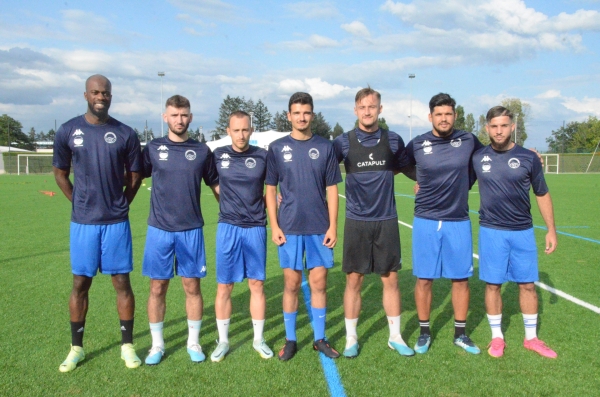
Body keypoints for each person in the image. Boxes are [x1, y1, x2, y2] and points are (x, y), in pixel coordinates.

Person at [53, 74, 143, 372]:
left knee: (122, 283)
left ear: (111, 96)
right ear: (85, 95)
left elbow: (135, 176)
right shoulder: (68, 130)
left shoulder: (125, 133)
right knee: (80, 283)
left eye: (105, 92)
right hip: (83, 223)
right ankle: (76, 348)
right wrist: (79, 203)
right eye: (95, 92)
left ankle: (127, 346)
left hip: (116, 222)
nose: (100, 96)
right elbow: (61, 174)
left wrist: (121, 203)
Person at [333, 87, 415, 358]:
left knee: (390, 279)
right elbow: (320, 170)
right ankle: (351, 338)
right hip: (356, 221)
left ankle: (395, 336)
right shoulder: (342, 143)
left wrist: (424, 181)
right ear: (355, 110)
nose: (367, 111)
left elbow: (410, 166)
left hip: (387, 220)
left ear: (380, 109)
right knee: (354, 280)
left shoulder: (393, 140)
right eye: (362, 107)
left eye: (372, 106)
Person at [473, 106, 557, 358]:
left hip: (522, 231)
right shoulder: (477, 157)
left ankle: (531, 338)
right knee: (493, 285)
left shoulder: (529, 158)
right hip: (491, 231)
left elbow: (541, 193)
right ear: (487, 128)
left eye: (504, 126)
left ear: (512, 128)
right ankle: (497, 337)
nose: (499, 131)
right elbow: (455, 178)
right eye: (494, 126)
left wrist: (551, 229)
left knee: (528, 285)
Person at [141, 95, 219, 365]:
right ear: (166, 117)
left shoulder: (201, 151)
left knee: (192, 286)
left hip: (191, 230)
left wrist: (239, 210)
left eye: (184, 115)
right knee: (157, 287)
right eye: (174, 115)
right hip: (159, 230)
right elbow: (133, 176)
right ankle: (157, 345)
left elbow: (217, 186)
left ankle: (193, 342)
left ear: (191, 117)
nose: (179, 120)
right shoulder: (152, 148)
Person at [265, 92, 342, 361]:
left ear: (312, 114)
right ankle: (290, 340)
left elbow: (332, 189)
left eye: (306, 112)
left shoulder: (325, 147)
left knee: (319, 283)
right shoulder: (276, 148)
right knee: (292, 283)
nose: (301, 117)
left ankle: (320, 338)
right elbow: (270, 189)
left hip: (320, 226)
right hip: (289, 227)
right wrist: (274, 225)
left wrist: (333, 226)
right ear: (289, 115)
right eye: (296, 112)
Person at [405, 93, 483, 355]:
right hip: (426, 219)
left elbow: (491, 157)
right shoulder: (417, 143)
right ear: (430, 117)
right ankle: (425, 332)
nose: (443, 118)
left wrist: (527, 152)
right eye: (438, 114)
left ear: (455, 116)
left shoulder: (469, 140)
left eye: (448, 114)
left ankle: (460, 333)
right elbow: (400, 165)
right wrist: (421, 178)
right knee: (424, 279)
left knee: (460, 279)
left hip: (458, 219)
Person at [210, 111, 273, 362]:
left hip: (256, 226)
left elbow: (270, 189)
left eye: (245, 130)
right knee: (224, 285)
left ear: (252, 130)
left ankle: (259, 339)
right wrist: (226, 201)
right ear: (228, 130)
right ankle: (223, 341)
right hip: (228, 227)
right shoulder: (218, 155)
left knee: (256, 284)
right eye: (236, 130)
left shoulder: (263, 157)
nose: (241, 135)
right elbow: (214, 185)